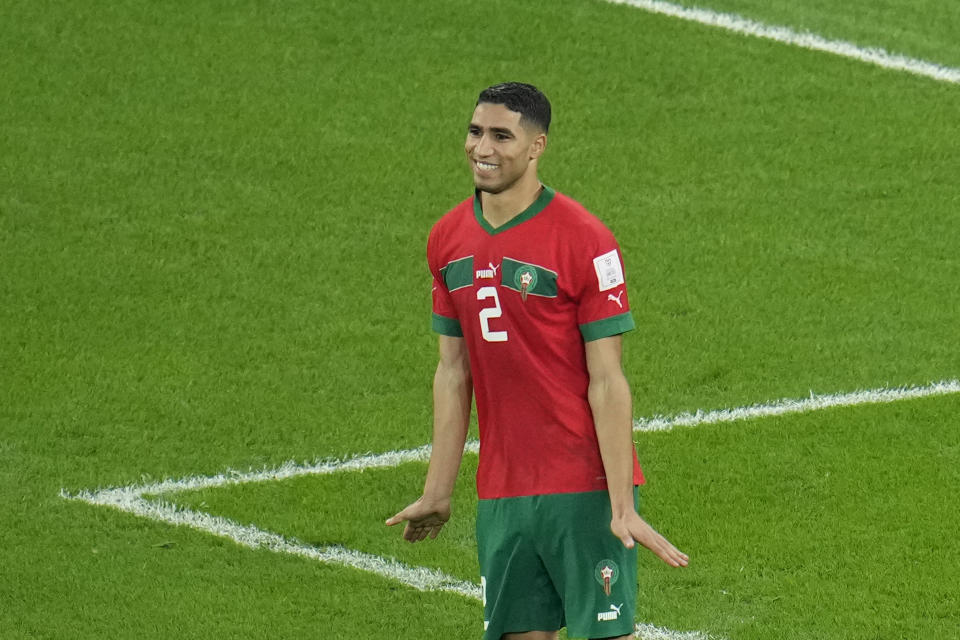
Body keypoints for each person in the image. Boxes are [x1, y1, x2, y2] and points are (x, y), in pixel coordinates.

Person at [386, 82, 688, 640]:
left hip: (582, 485)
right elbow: (453, 373)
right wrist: (438, 489)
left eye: (503, 135)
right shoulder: (447, 240)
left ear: (536, 146)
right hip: (501, 487)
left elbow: (608, 381)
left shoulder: (585, 240)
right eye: (476, 132)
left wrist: (620, 504)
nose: (484, 147)